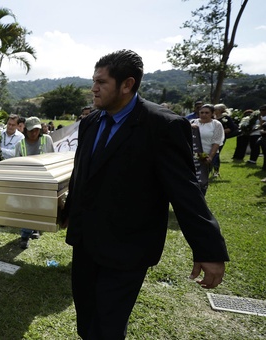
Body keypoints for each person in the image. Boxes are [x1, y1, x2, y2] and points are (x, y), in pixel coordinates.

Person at [61, 50, 228, 339]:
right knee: (87, 320)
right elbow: (82, 175)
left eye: (101, 82)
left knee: (108, 327)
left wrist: (209, 249)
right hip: (86, 243)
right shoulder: (90, 123)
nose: (94, 88)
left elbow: (185, 191)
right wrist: (68, 213)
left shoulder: (162, 125)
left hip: (127, 248)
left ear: (127, 84)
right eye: (93, 81)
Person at [14, 116, 55, 249]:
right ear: (25, 130)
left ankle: (35, 228)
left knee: (39, 207)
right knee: (27, 208)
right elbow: (17, 164)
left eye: (37, 130)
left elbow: (53, 157)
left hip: (44, 180)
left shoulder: (47, 140)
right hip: (27, 182)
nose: (34, 133)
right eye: (31, 130)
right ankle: (25, 235)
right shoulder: (20, 145)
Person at [190, 104, 224, 193]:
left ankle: (201, 199)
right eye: (202, 112)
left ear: (212, 113)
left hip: (207, 154)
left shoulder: (216, 124)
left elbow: (216, 142)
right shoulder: (193, 122)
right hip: (193, 154)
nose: (204, 115)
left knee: (202, 179)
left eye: (207, 113)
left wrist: (210, 157)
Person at [213, 103, 238, 177]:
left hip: (220, 138)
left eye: (215, 109)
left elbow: (232, 128)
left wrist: (221, 130)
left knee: (216, 153)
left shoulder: (226, 118)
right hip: (210, 137)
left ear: (220, 110)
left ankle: (216, 171)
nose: (213, 110)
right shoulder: (212, 117)